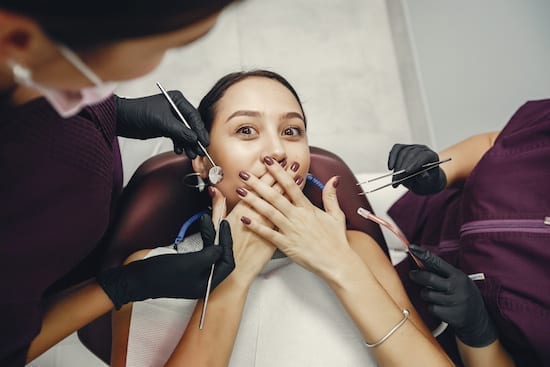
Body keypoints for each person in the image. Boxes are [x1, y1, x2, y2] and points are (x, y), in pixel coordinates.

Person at [111, 70, 454, 367]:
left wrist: (339, 264)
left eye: (292, 131)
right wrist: (234, 275)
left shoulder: (357, 250)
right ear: (202, 161)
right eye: (246, 130)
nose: (277, 150)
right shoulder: (148, 272)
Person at [0, 2, 238, 365]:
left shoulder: (41, 59)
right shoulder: (43, 180)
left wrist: (116, 113)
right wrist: (126, 285)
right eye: (161, 46)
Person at [385, 99, 550, 366]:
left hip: (428, 330)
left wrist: (477, 331)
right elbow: (494, 145)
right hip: (426, 212)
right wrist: (439, 171)